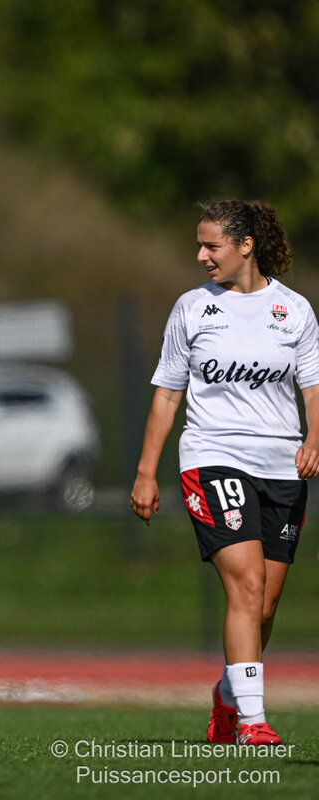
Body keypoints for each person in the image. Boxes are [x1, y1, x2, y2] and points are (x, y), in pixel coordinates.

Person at [130, 200, 319, 747]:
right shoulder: (192, 309)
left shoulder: (294, 311)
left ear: (245, 245)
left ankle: (229, 695)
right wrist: (146, 472)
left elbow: (313, 388)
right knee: (247, 584)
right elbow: (168, 394)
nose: (201, 255)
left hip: (282, 467)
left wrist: (314, 438)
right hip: (212, 458)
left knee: (265, 604)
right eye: (199, 245)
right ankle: (253, 723)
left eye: (211, 245)